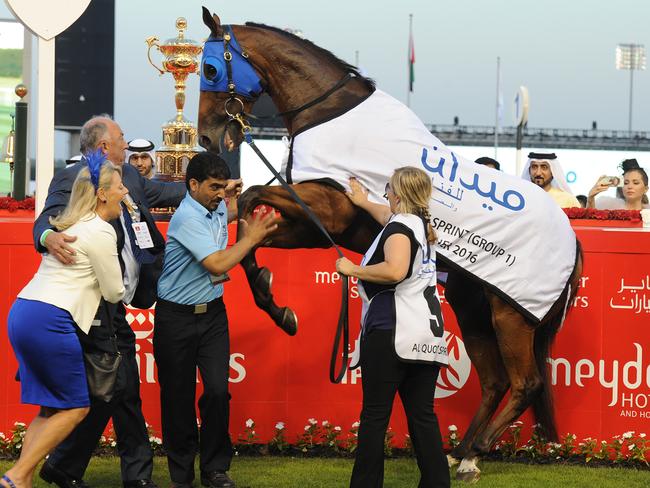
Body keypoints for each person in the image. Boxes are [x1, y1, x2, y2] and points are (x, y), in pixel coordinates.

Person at [34, 115, 185, 488]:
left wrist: (213, 185)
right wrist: (47, 237)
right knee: (115, 390)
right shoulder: (75, 176)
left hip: (117, 305)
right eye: (120, 138)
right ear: (104, 146)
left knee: (117, 390)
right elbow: (45, 218)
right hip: (93, 304)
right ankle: (104, 472)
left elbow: (165, 194)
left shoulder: (130, 177)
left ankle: (69, 468)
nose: (126, 142)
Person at [153, 152, 277, 488]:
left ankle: (215, 469)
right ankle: (182, 476)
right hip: (175, 318)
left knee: (218, 393)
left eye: (224, 187)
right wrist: (250, 239)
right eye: (213, 187)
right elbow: (218, 264)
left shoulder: (215, 204)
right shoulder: (187, 218)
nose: (220, 194)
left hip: (212, 316)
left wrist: (231, 193)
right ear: (192, 185)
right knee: (177, 398)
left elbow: (227, 211)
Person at [2, 154, 126, 488]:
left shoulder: (72, 221)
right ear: (102, 194)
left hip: (24, 311)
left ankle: (22, 479)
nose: (124, 191)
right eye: (119, 186)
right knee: (75, 409)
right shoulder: (100, 231)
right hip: (51, 320)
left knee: (49, 409)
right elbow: (115, 292)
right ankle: (14, 476)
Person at [336, 167, 450, 488]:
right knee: (423, 419)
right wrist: (363, 201)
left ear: (398, 193)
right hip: (426, 338)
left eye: (388, 188)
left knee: (374, 418)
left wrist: (352, 268)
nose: (386, 194)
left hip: (392, 333)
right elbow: (387, 213)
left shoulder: (400, 227)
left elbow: (395, 269)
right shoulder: (420, 225)